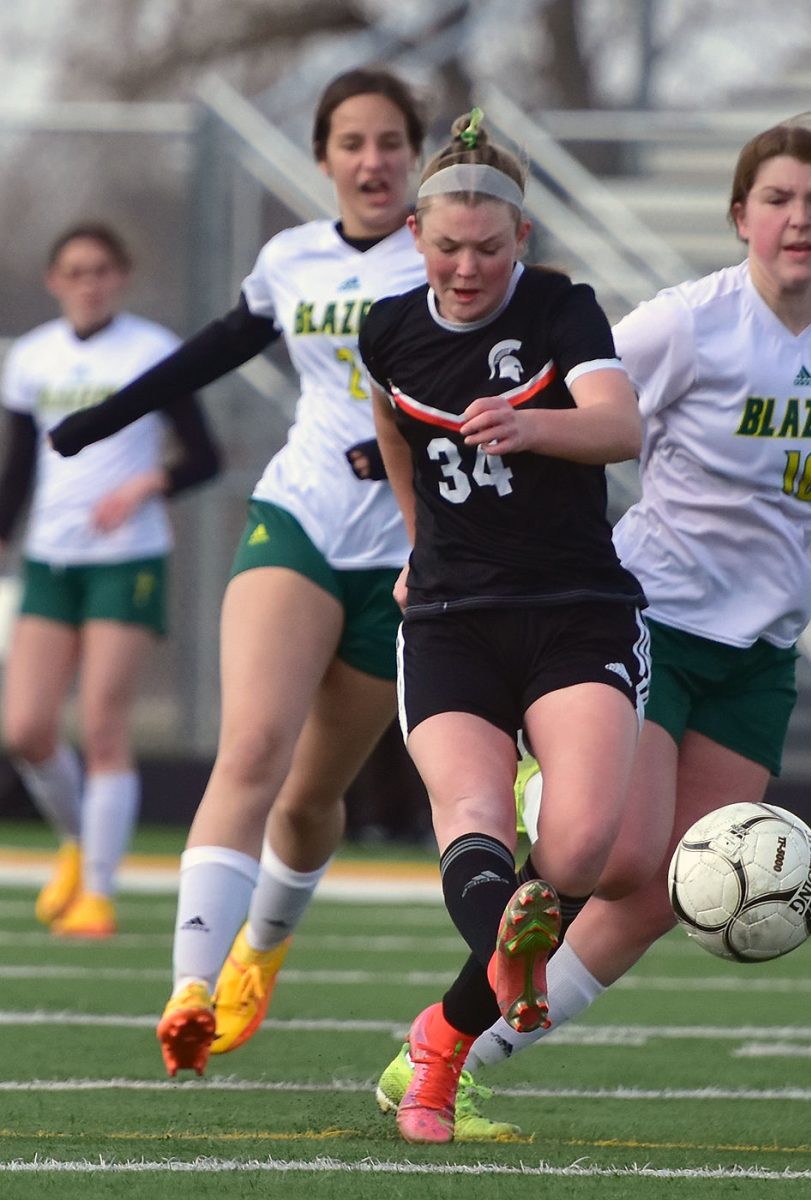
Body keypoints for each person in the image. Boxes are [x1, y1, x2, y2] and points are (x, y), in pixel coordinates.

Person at [373, 113, 811, 1136]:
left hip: (759, 653)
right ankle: (548, 782)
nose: (799, 218)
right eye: (778, 200)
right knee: (617, 859)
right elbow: (572, 405)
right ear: (740, 216)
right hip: (650, 614)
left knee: (665, 893)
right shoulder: (685, 323)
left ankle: (446, 1048)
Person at [48, 67, 429, 1076]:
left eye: (391, 141)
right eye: (352, 141)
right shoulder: (293, 257)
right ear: (323, 159)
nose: (373, 160)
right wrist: (102, 420)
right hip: (296, 518)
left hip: (402, 556)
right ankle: (187, 988)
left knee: (309, 797)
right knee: (250, 747)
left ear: (416, 156)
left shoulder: (448, 256)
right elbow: (220, 345)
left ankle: (261, 948)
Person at [359, 108, 649, 1144]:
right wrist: (409, 539)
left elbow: (622, 426)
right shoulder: (387, 329)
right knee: (474, 817)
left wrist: (536, 425)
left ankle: (444, 1029)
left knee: (575, 853)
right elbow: (394, 429)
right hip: (448, 615)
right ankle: (451, 1048)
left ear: (520, 239)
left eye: (488, 248)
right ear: (416, 238)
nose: (467, 267)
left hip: (573, 612)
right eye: (448, 247)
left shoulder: (564, 310)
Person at [0, 222, 221, 938]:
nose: (87, 282)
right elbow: (20, 467)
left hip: (127, 557)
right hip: (50, 558)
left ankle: (97, 888)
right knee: (26, 728)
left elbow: (205, 457)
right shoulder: (32, 358)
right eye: (74, 270)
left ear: (120, 275)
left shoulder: (152, 351)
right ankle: (76, 842)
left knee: (102, 725)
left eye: (100, 269)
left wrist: (145, 485)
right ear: (53, 280)